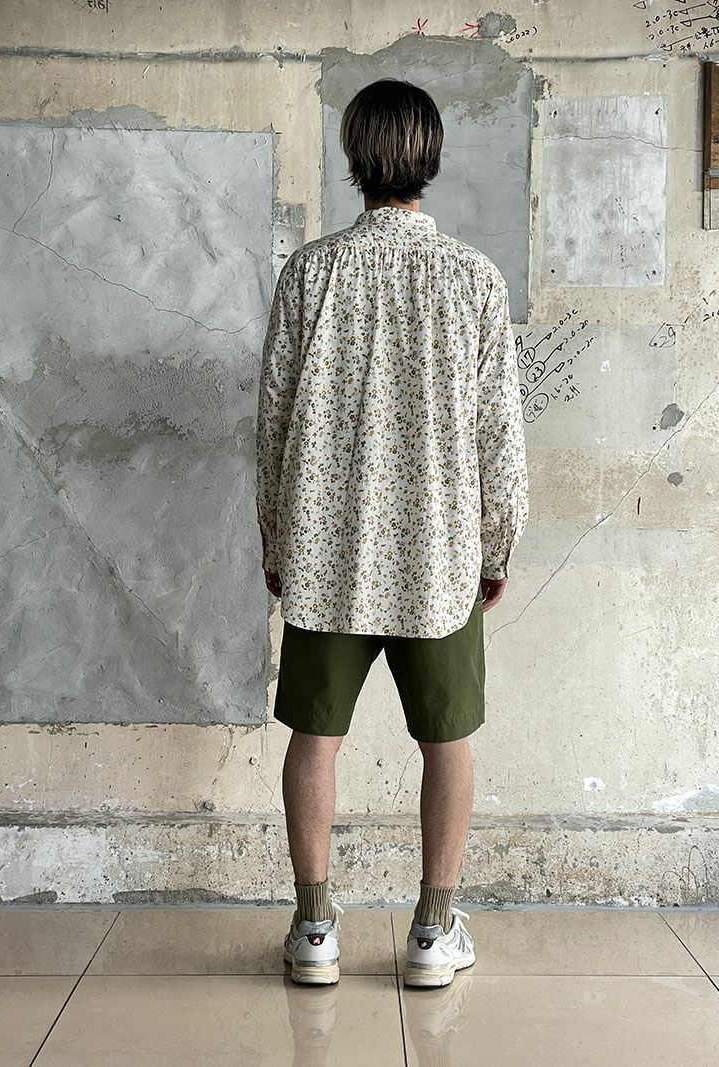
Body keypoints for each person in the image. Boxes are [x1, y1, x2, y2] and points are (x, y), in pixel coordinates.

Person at [256, 78, 528, 987]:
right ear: (431, 159)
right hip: (438, 556)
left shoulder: (310, 275)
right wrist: (496, 545)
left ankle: (314, 929)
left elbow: (273, 425)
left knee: (314, 737)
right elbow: (499, 436)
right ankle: (431, 933)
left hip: (327, 555)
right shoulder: (474, 280)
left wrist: (277, 541)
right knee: (447, 741)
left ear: (353, 158)